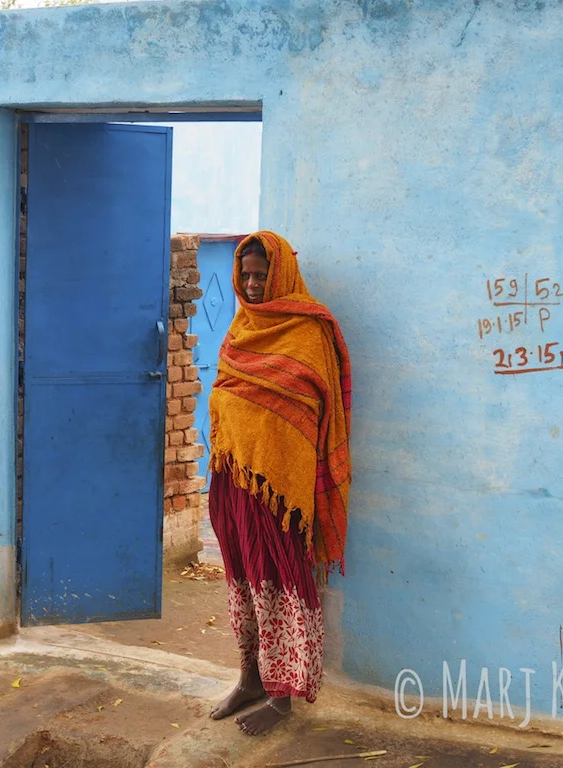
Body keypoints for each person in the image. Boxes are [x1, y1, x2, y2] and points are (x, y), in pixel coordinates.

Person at [206, 230, 352, 736]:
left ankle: (284, 696)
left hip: (282, 493)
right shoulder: (241, 329)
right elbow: (226, 393)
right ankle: (249, 678)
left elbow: (315, 409)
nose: (250, 285)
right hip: (234, 479)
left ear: (282, 274)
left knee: (283, 581)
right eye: (244, 275)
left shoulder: (308, 333)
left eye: (260, 275)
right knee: (243, 580)